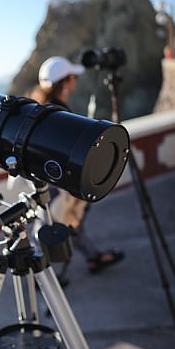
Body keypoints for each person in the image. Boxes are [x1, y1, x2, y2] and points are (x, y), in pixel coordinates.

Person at [31, 56, 124, 275]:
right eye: (72, 77)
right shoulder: (60, 112)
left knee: (65, 221)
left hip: (42, 176)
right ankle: (39, 273)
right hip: (57, 180)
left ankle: (92, 256)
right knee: (52, 223)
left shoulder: (41, 107)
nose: (75, 82)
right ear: (64, 81)